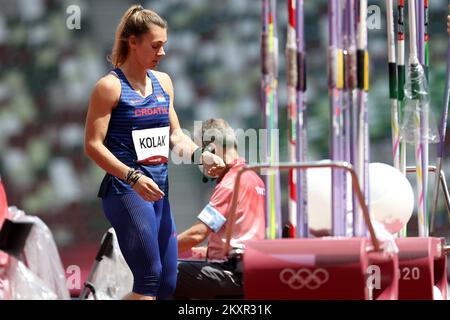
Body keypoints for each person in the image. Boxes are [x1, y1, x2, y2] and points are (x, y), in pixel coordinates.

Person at [84, 5, 225, 300]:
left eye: (164, 45)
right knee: (148, 278)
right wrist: (133, 176)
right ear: (133, 42)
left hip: (159, 191)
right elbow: (93, 145)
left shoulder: (164, 83)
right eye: (156, 45)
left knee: (167, 284)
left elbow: (175, 136)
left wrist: (202, 155)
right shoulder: (109, 88)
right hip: (126, 191)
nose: (162, 53)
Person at [174, 119, 266, 299]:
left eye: (202, 155)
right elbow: (241, 233)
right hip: (248, 271)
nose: (201, 164)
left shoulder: (230, 184)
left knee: (160, 272)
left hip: (231, 272)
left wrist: (158, 251)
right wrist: (209, 250)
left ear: (212, 149)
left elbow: (197, 234)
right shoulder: (253, 178)